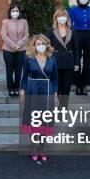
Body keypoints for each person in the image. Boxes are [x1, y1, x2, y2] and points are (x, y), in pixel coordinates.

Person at [20, 34, 59, 165]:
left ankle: (42, 149)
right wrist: (22, 92)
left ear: (47, 45)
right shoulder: (28, 58)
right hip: (33, 91)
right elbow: (24, 77)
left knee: (45, 121)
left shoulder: (52, 59)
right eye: (38, 44)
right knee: (34, 120)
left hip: (47, 92)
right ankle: (33, 148)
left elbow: (55, 79)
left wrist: (55, 95)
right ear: (34, 45)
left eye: (42, 43)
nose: (40, 46)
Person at [46, 8, 79, 108]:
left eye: (64, 16)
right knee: (56, 88)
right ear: (56, 18)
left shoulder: (72, 30)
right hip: (55, 62)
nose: (62, 18)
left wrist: (77, 63)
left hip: (69, 63)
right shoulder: (51, 30)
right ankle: (56, 107)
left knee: (66, 89)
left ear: (67, 18)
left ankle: (63, 109)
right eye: (59, 16)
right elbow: (47, 46)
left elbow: (76, 48)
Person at [69, 0, 90, 96]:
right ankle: (77, 85)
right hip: (76, 35)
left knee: (86, 62)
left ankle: (84, 85)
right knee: (77, 60)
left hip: (88, 36)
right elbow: (69, 25)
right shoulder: (73, 10)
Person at [1, 4, 29, 97]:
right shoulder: (5, 22)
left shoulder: (24, 22)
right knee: (9, 70)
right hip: (8, 49)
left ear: (19, 12)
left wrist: (19, 45)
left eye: (16, 11)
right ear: (10, 12)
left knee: (18, 70)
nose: (15, 12)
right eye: (13, 11)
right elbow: (4, 35)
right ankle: (10, 88)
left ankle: (17, 87)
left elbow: (26, 35)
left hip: (21, 50)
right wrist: (14, 45)